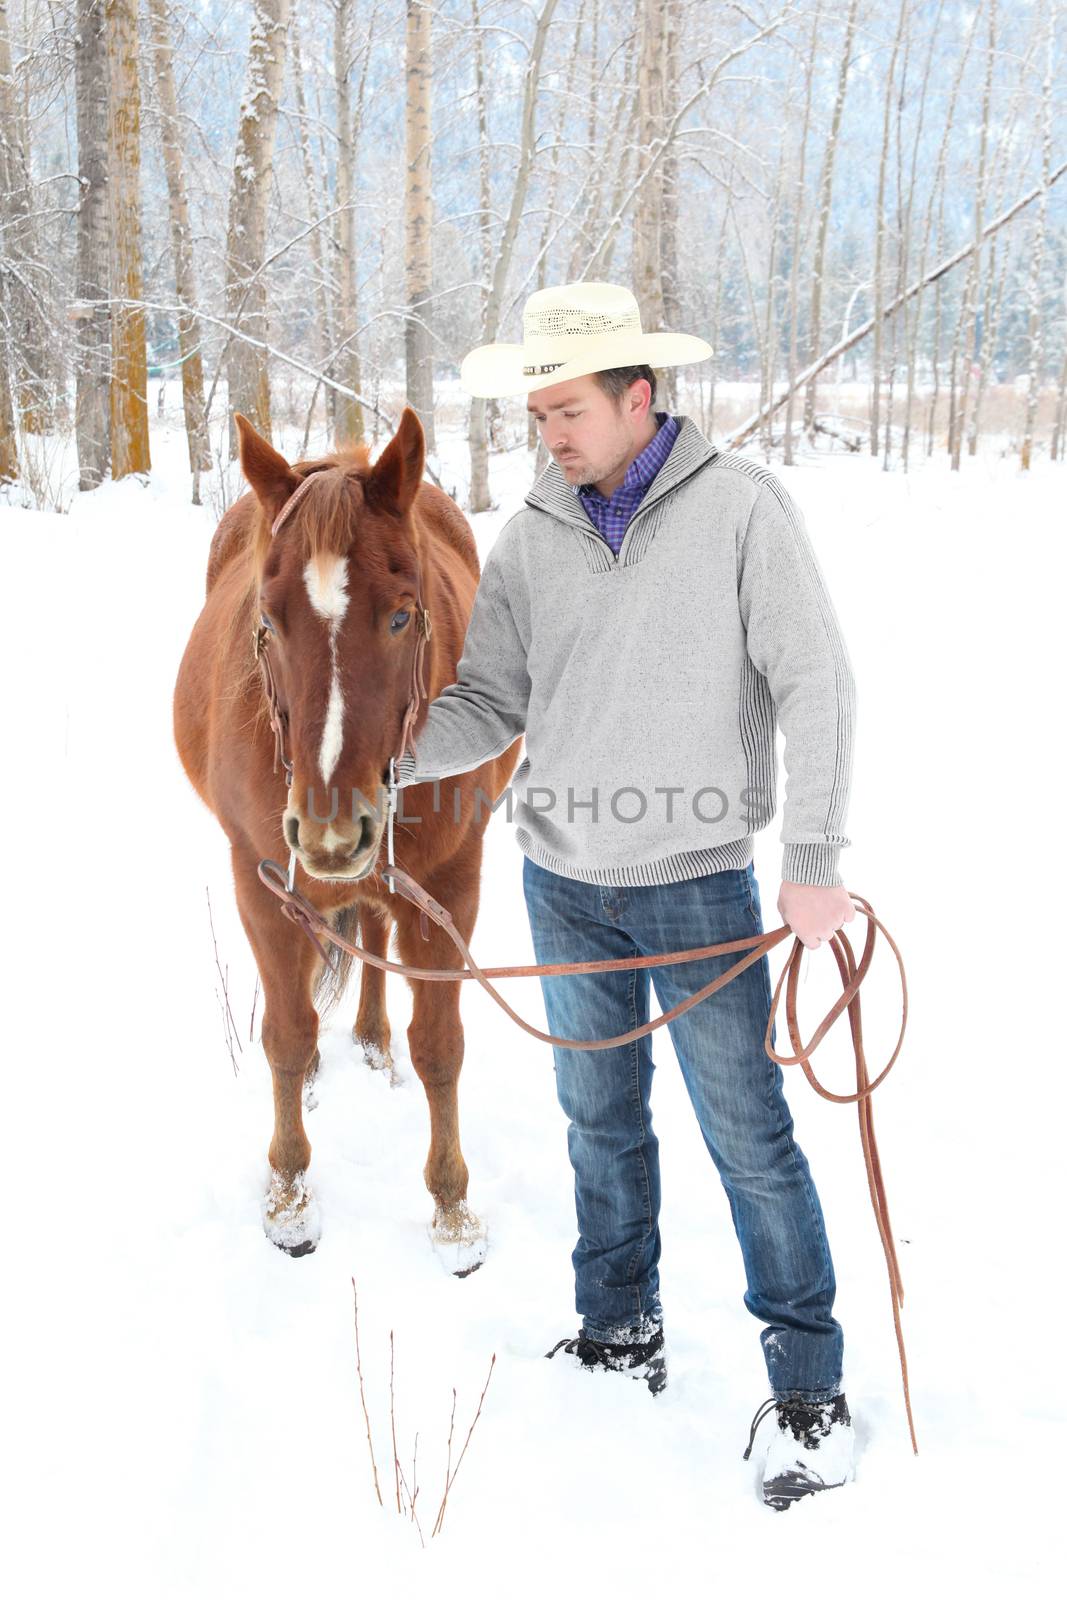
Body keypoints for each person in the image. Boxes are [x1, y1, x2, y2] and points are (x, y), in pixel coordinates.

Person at [392, 281, 858, 1510]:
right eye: (535, 411)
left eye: (565, 410)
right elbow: (491, 701)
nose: (546, 432)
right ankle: (618, 1327)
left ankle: (808, 1388)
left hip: (698, 884)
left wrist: (810, 860)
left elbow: (816, 680)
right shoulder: (532, 531)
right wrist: (387, 758)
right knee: (596, 1120)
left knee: (746, 1137)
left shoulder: (743, 510)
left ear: (637, 396)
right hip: (561, 882)